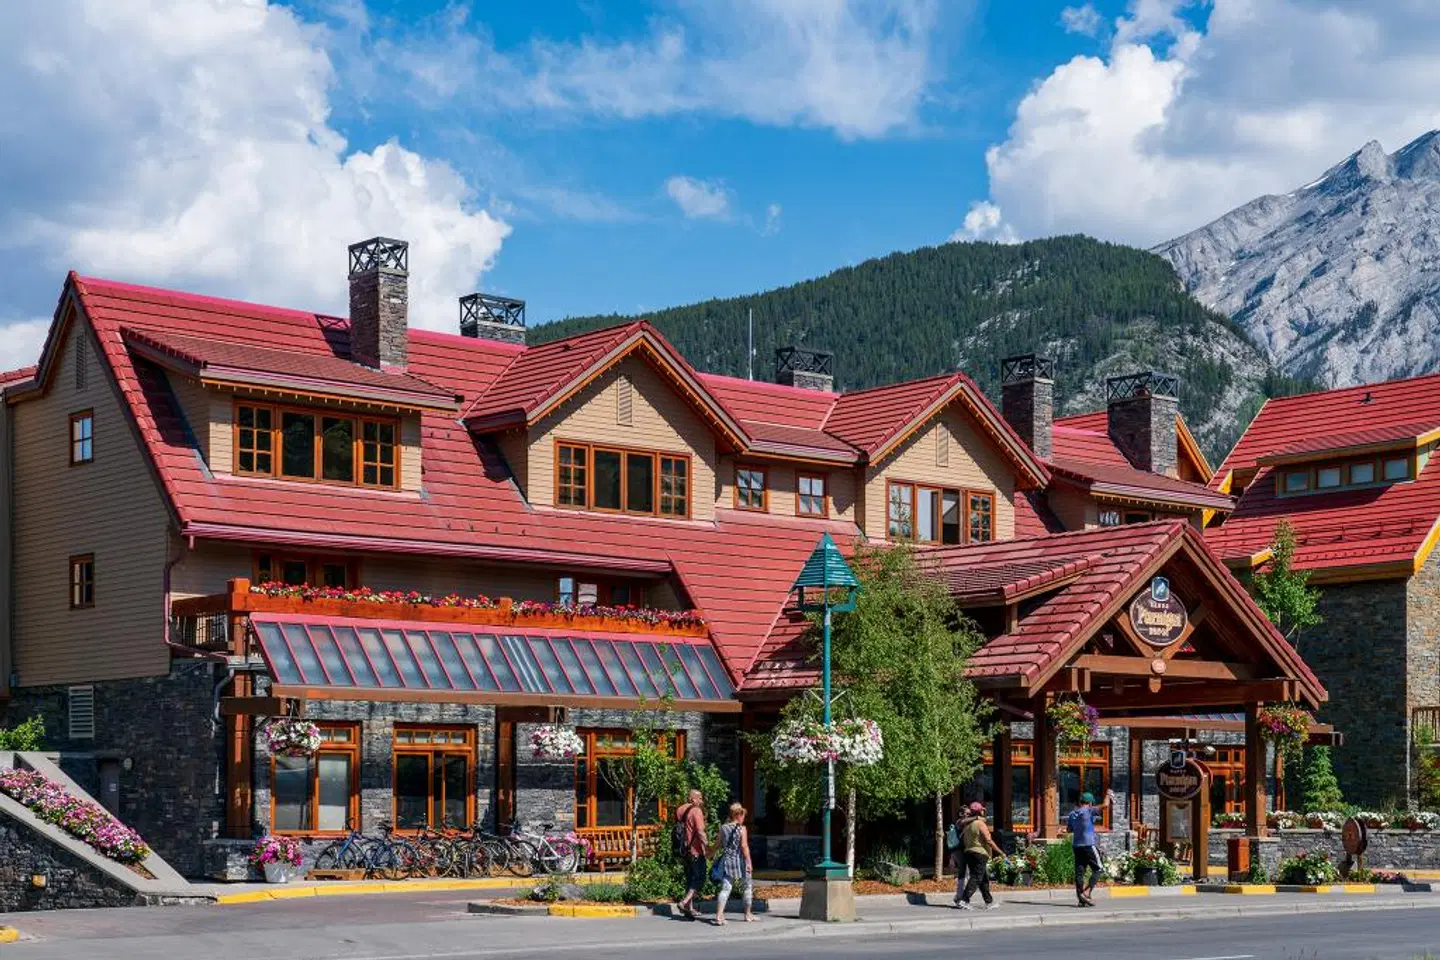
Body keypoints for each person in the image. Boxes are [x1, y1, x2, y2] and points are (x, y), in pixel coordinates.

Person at [1067, 789, 1112, 907]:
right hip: (1088, 845)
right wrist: (1107, 794)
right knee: (1099, 869)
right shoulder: (1089, 810)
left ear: (1081, 801)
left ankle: (1081, 900)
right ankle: (1086, 893)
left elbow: (1069, 829)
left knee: (1079, 873)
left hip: (1077, 846)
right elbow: (1105, 805)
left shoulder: (1072, 814)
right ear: (1090, 803)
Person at [956, 801, 1004, 911]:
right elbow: (989, 841)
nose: (984, 811)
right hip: (979, 854)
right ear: (979, 811)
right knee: (977, 877)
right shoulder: (980, 824)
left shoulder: (968, 825)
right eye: (983, 810)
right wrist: (1001, 852)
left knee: (983, 878)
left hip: (969, 853)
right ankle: (964, 900)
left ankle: (989, 902)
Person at [712, 802, 755, 925]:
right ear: (738, 814)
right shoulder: (742, 829)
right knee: (747, 886)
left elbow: (717, 845)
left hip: (727, 862)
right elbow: (744, 847)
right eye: (743, 815)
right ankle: (747, 914)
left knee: (726, 888)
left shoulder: (723, 828)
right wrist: (749, 863)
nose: (744, 817)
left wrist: (708, 854)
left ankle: (719, 916)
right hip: (740, 861)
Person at [674, 789, 708, 919]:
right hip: (695, 850)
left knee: (690, 878)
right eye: (699, 798)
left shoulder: (680, 809)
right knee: (699, 878)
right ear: (692, 799)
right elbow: (700, 831)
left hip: (684, 850)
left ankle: (690, 908)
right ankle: (684, 902)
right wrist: (706, 847)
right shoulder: (696, 811)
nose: (701, 801)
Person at [949, 805, 978, 905]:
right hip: (959, 850)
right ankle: (959, 897)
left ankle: (959, 896)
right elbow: (963, 822)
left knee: (965, 873)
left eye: (970, 814)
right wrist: (977, 817)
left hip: (958, 850)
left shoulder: (961, 823)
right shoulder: (959, 822)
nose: (969, 816)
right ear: (961, 814)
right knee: (963, 873)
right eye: (967, 813)